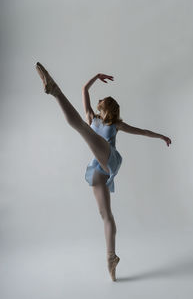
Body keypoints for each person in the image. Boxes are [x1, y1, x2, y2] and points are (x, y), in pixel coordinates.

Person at [35, 62, 172, 281]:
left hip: (110, 159)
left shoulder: (116, 124)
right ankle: (112, 257)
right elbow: (84, 90)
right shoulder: (93, 117)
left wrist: (161, 137)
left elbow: (143, 131)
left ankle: (55, 90)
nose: (97, 102)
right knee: (105, 215)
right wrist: (95, 77)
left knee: (81, 127)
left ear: (107, 107)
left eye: (102, 101)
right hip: (98, 170)